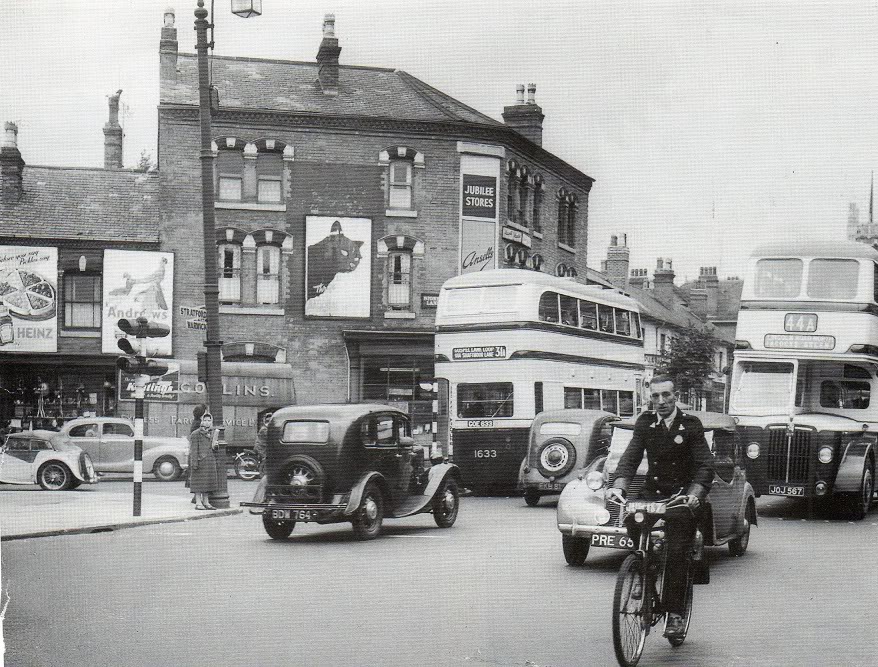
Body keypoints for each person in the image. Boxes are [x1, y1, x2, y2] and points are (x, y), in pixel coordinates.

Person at [606, 376, 715, 640]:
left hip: (681, 496)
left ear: (676, 396)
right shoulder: (645, 423)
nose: (661, 401)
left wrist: (695, 494)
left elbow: (705, 465)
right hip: (653, 493)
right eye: (655, 396)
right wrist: (618, 487)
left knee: (677, 551)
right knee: (632, 520)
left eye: (666, 395)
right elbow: (631, 457)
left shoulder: (690, 424)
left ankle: (675, 614)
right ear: (649, 398)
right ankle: (644, 572)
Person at [188, 410, 220, 510]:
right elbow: (193, 450)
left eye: (209, 420)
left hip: (210, 461)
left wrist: (216, 446)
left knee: (207, 483)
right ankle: (198, 503)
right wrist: (194, 463)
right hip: (200, 462)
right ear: (201, 421)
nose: (207, 422)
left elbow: (214, 449)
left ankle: (206, 502)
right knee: (199, 484)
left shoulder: (212, 433)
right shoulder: (195, 434)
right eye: (205, 420)